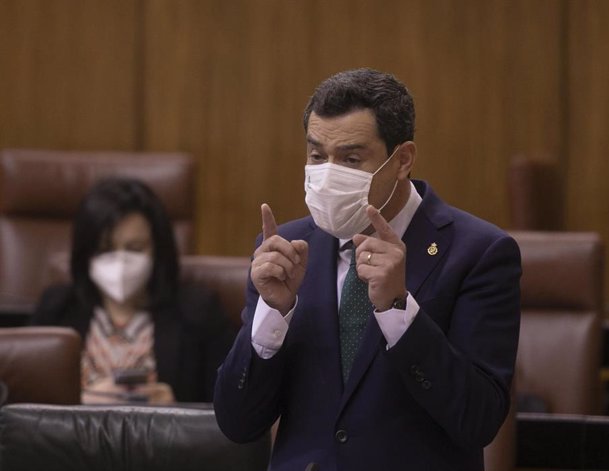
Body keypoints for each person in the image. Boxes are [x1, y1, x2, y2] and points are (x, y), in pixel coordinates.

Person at [214, 68, 521, 470]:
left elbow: (478, 421)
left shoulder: (479, 253)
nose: (328, 174)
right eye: (317, 156)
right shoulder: (284, 252)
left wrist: (398, 310)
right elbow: (238, 423)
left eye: (351, 159)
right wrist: (273, 315)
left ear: (402, 160)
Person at [32, 177, 236, 404]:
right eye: (104, 250)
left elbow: (231, 411)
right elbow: (26, 404)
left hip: (165, 438)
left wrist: (177, 408)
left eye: (135, 248)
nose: (120, 261)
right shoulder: (56, 308)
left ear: (158, 249)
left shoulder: (199, 311)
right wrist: (78, 402)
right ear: (85, 254)